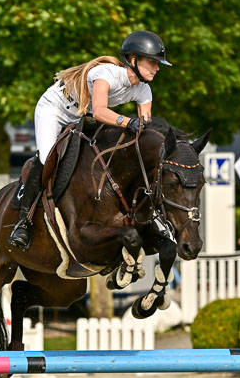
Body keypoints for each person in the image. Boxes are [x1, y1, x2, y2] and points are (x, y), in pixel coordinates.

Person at [9, 30, 172, 250]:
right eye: (153, 62)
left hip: (81, 116)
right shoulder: (106, 74)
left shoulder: (144, 90)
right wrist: (127, 122)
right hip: (55, 109)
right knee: (48, 156)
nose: (157, 67)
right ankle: (23, 222)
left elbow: (144, 128)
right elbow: (100, 112)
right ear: (133, 60)